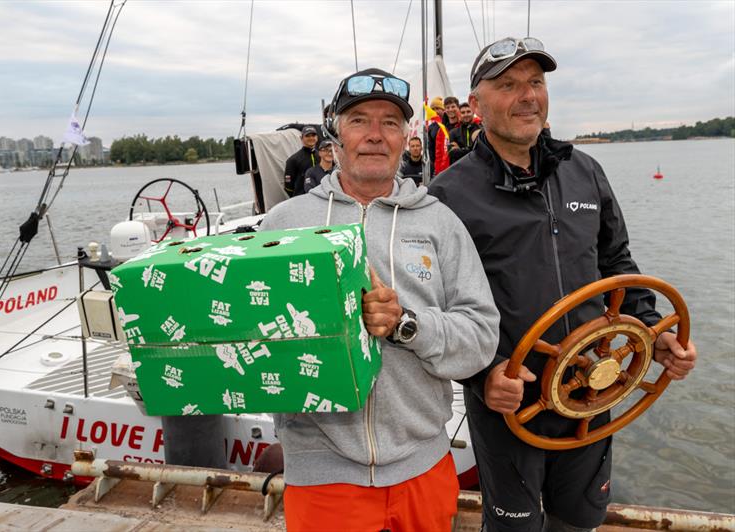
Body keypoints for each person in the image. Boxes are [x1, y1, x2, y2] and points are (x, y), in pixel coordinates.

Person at [429, 37, 697, 532]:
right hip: (507, 406)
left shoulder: (585, 172)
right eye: (508, 85)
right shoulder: (447, 196)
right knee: (515, 526)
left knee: (579, 519)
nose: (527, 95)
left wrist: (657, 331)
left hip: (593, 389)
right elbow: (439, 310)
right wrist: (482, 374)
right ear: (475, 104)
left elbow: (618, 265)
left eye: (535, 82)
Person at [260, 67, 500, 532]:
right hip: (321, 475)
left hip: (423, 470)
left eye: (389, 122)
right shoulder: (285, 223)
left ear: (405, 134)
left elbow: (481, 339)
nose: (375, 135)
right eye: (359, 121)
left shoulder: (441, 223)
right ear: (335, 134)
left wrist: (407, 324)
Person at [283, 125, 319, 197]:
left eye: (313, 135)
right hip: (302, 199)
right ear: (301, 138)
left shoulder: (322, 156)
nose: (311, 138)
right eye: (307, 136)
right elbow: (288, 187)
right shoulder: (292, 160)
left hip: (321, 199)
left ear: (317, 138)